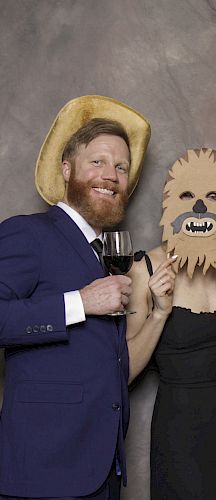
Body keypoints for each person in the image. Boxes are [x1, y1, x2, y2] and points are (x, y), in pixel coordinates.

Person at [0, 95, 150, 498]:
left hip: (102, 471)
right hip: (44, 470)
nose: (111, 175)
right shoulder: (27, 233)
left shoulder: (106, 254)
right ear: (66, 169)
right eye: (97, 161)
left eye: (121, 167)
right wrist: (79, 304)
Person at [126, 148, 216, 500]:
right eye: (188, 195)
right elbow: (124, 371)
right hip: (178, 433)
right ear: (170, 202)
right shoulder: (145, 269)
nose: (199, 206)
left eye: (213, 196)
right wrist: (159, 313)